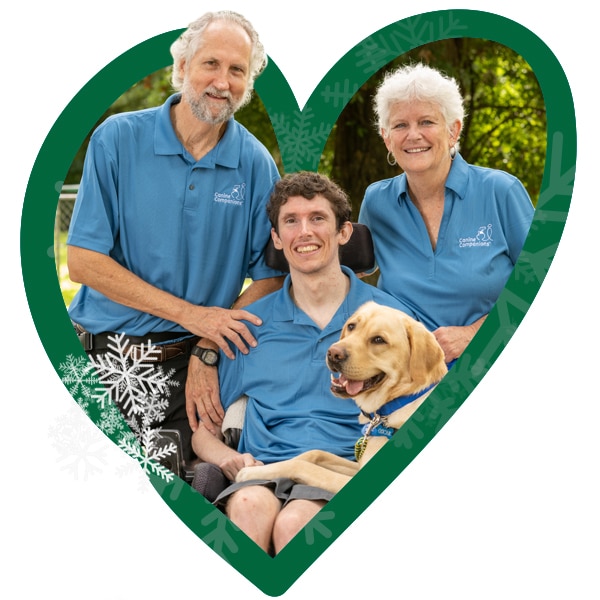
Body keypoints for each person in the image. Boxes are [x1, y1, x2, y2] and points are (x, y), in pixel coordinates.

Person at [66, 11, 284, 464]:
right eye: (211, 64)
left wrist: (207, 346)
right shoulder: (117, 139)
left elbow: (270, 279)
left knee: (195, 492)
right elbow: (84, 261)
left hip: (193, 363)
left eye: (237, 70)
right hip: (105, 350)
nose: (222, 81)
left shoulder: (256, 164)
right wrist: (195, 316)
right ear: (182, 66)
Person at [191, 171, 416, 555]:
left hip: (342, 472)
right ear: (277, 239)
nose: (304, 232)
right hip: (262, 469)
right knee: (246, 507)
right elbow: (203, 433)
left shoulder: (391, 321)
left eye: (317, 218)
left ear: (344, 232)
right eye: (290, 221)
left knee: (297, 521)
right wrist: (228, 457)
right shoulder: (249, 328)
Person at [359, 63, 535, 364]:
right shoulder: (377, 201)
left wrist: (475, 334)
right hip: (407, 380)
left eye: (426, 122)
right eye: (400, 125)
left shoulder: (500, 191)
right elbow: (352, 275)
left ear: (453, 130)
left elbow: (542, 284)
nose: (413, 135)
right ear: (387, 138)